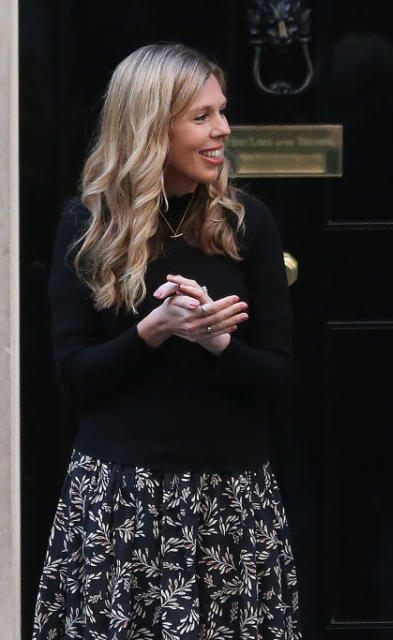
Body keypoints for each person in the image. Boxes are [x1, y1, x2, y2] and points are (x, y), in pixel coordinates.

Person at [32, 44, 301, 639]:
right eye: (202, 117)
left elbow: (278, 380)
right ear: (154, 126)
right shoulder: (88, 224)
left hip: (231, 499)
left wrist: (217, 343)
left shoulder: (247, 223)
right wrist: (154, 331)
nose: (223, 130)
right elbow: (74, 379)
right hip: (121, 501)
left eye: (222, 113)